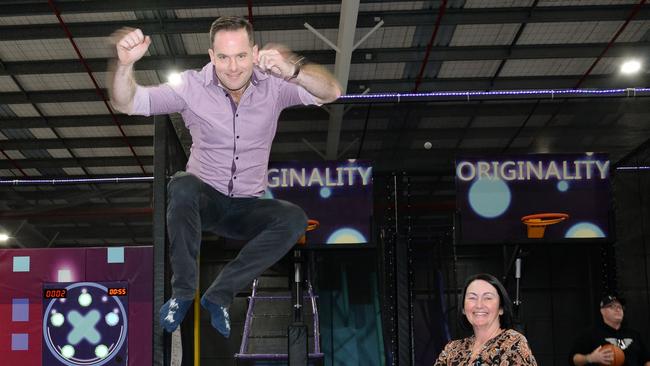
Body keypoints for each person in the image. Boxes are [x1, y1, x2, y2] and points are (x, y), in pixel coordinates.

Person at [109, 16, 341, 338]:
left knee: (294, 219)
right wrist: (124, 67)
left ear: (255, 52)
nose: (233, 67)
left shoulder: (274, 86)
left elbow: (331, 92)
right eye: (223, 57)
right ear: (211, 55)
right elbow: (128, 103)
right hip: (206, 200)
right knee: (182, 185)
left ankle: (219, 294)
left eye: (241, 56)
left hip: (248, 206)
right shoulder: (190, 87)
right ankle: (182, 293)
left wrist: (293, 70)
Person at [434, 273, 537, 366]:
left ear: (501, 308)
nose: (479, 305)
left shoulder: (513, 344)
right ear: (463, 309)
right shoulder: (452, 349)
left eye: (488, 298)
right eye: (472, 298)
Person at [570, 295, 650, 366]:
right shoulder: (590, 334)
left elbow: (646, 360)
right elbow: (573, 360)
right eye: (612, 307)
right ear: (602, 311)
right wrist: (590, 358)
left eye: (619, 307)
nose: (617, 309)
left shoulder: (634, 335)